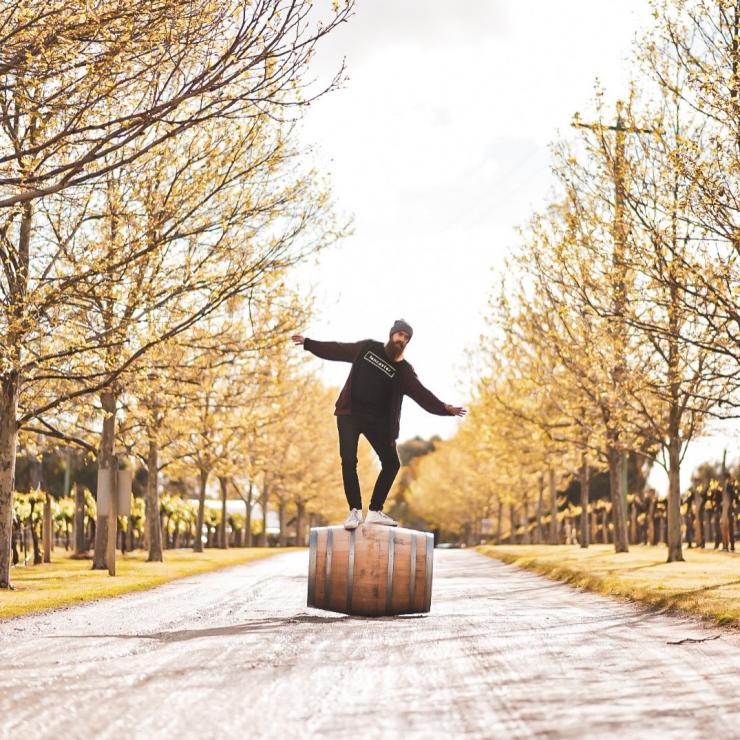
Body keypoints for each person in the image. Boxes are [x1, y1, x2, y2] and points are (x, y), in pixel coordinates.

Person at [292, 319, 466, 530]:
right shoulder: (367, 348)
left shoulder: (404, 371)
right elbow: (337, 349)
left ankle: (374, 511)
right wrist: (309, 343)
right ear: (391, 334)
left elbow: (422, 394)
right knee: (348, 460)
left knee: (392, 464)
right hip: (350, 414)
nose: (401, 339)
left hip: (378, 423)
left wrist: (444, 407)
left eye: (406, 338)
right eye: (399, 335)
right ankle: (354, 512)